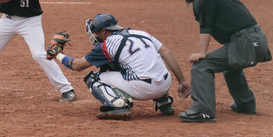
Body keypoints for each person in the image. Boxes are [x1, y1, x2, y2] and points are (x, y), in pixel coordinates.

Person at [48, 13, 190, 119]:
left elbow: (77, 65)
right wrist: (182, 81)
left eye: (97, 32)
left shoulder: (109, 43)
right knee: (144, 64)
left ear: (104, 31)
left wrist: (58, 54)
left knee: (94, 78)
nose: (95, 36)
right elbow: (167, 52)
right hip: (165, 84)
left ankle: (118, 105)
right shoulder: (142, 33)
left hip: (143, 88)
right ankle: (164, 102)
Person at [178, 0, 271, 123]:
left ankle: (203, 110)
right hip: (258, 41)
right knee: (231, 65)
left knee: (202, 66)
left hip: (245, 43)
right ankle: (245, 104)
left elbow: (206, 25)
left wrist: (202, 52)